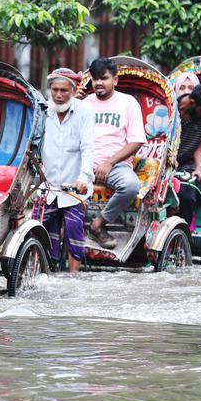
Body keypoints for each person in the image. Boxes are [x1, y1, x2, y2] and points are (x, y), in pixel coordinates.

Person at [81, 57, 146, 249]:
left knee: (131, 186)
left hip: (116, 166)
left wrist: (108, 163)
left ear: (115, 80)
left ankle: (98, 225)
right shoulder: (84, 104)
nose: (99, 83)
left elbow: (136, 141)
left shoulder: (128, 103)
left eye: (104, 78)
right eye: (94, 78)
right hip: (84, 164)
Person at [40, 68, 94, 272]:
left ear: (73, 91)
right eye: (55, 90)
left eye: (64, 90)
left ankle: (73, 276)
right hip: (48, 185)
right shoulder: (44, 111)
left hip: (75, 186)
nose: (59, 95)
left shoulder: (85, 112)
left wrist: (83, 177)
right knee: (43, 229)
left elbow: (88, 147)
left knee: (73, 229)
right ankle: (48, 270)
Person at [171, 83, 201, 226]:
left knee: (187, 194)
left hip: (187, 162)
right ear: (192, 103)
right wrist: (170, 159)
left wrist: (198, 168)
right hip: (163, 159)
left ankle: (185, 235)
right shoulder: (170, 108)